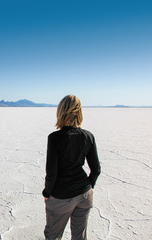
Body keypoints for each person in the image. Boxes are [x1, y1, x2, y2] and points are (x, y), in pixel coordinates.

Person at [42, 95, 101, 240]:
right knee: (79, 237)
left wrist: (47, 193)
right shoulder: (88, 136)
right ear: (79, 112)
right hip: (84, 195)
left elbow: (52, 172)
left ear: (61, 111)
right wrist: (88, 187)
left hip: (61, 197)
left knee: (53, 235)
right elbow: (96, 169)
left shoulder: (55, 138)